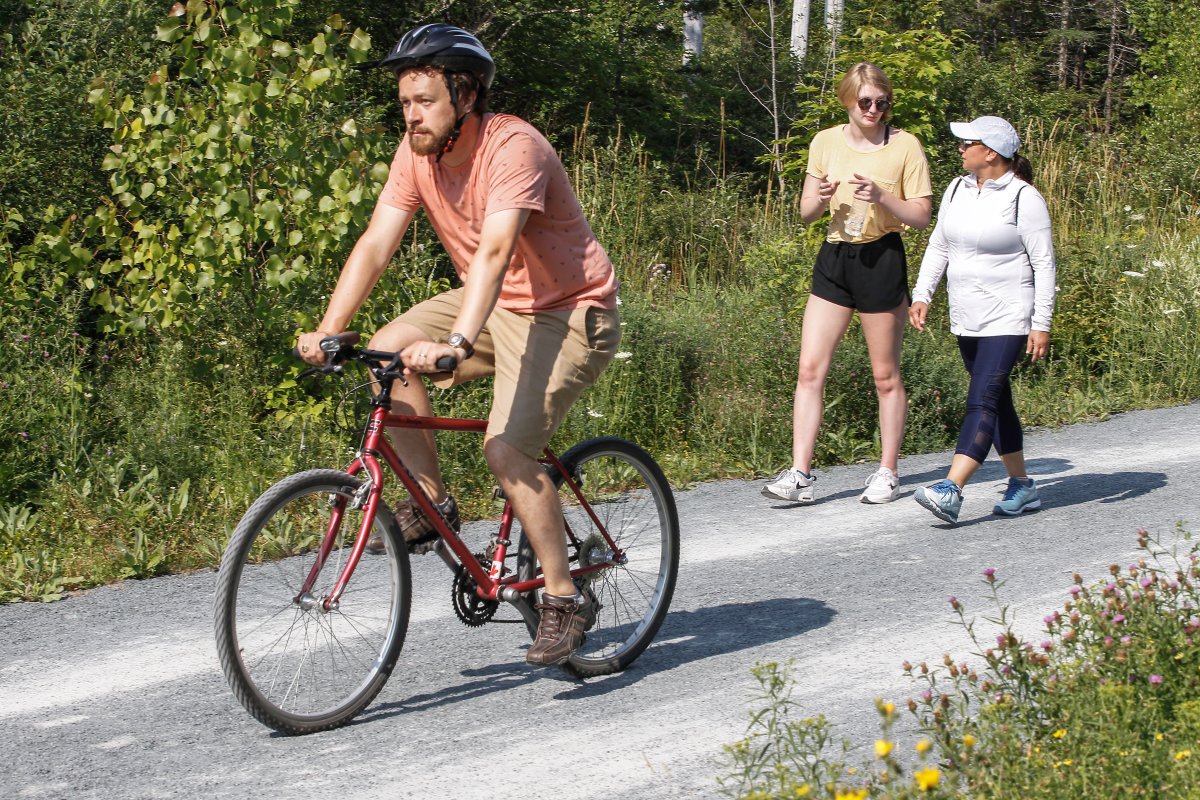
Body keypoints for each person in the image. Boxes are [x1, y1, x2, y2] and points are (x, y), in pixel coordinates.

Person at [296, 24, 620, 666]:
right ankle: (433, 499)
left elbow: (497, 253)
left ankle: (563, 599)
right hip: (495, 304)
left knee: (506, 450)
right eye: (405, 102)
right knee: (388, 350)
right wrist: (332, 328)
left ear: (466, 97)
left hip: (569, 311)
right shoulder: (416, 154)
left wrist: (454, 342)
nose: (411, 115)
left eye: (425, 101)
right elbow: (375, 243)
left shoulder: (513, 148)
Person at [762, 62, 932, 505]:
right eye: (866, 102)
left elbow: (922, 215)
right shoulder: (825, 141)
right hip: (836, 255)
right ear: (848, 101)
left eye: (882, 102)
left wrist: (882, 197)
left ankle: (887, 471)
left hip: (882, 256)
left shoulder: (906, 146)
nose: (875, 109)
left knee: (885, 375)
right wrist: (815, 200)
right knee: (809, 369)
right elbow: (805, 213)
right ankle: (800, 473)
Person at [909, 115, 1056, 525]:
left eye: (966, 143)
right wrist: (923, 294)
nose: (959, 148)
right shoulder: (957, 188)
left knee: (983, 399)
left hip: (1009, 315)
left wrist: (1040, 322)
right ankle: (1022, 486)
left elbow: (1044, 264)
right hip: (967, 316)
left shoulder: (1024, 199)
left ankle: (951, 488)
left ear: (989, 152)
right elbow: (939, 244)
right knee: (998, 400)